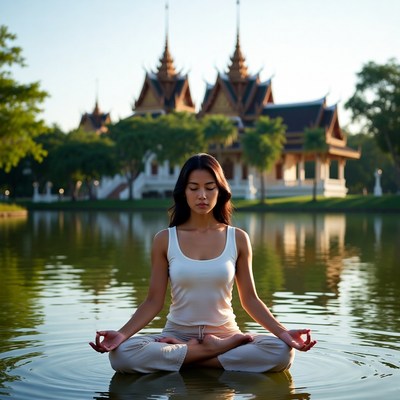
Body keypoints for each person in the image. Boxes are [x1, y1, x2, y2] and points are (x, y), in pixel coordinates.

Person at [90, 153, 316, 373]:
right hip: (176, 336)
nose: (202, 195)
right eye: (194, 187)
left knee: (280, 351)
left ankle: (188, 357)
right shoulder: (164, 239)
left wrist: (284, 333)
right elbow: (153, 301)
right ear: (183, 191)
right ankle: (208, 353)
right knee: (122, 355)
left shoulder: (237, 238)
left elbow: (250, 300)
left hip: (226, 334)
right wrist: (121, 335)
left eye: (209, 187)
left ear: (220, 191)